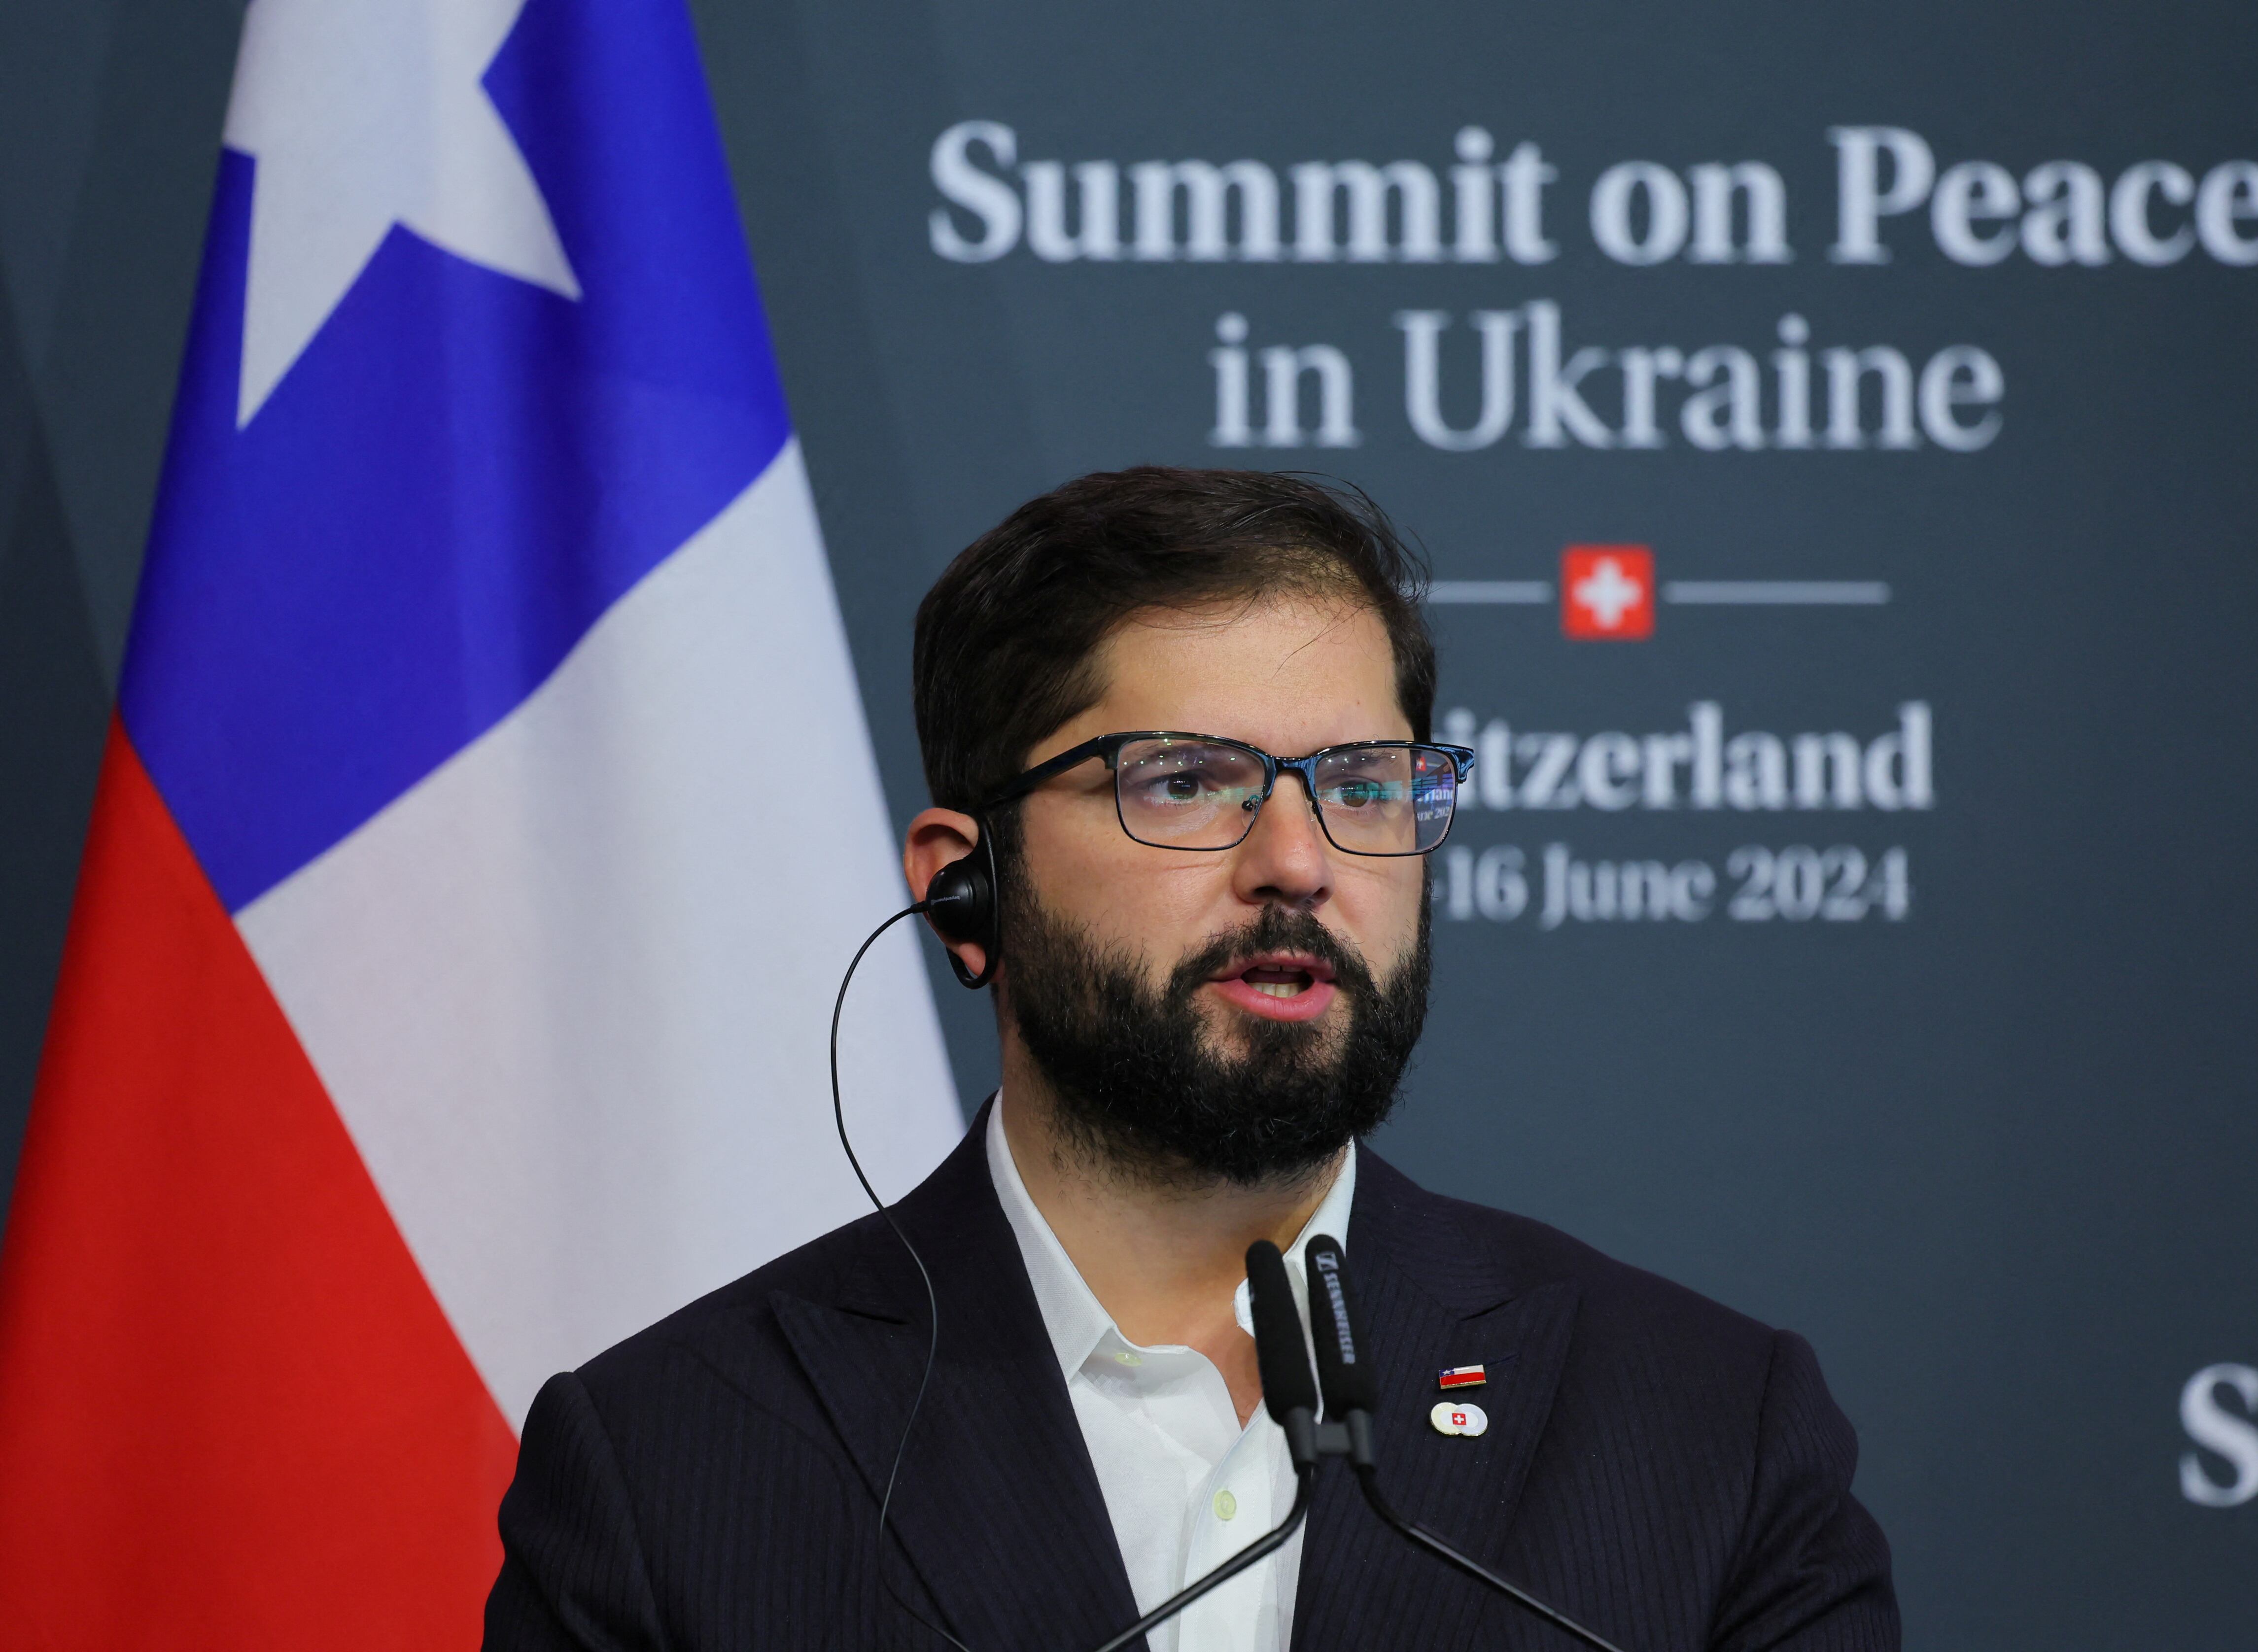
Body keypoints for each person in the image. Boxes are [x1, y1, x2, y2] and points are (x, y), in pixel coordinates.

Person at [484, 468, 1897, 1652]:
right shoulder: (675, 1467)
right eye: (1185, 782)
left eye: (1365, 786)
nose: (1298, 864)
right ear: (965, 888)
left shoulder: (1705, 1436)